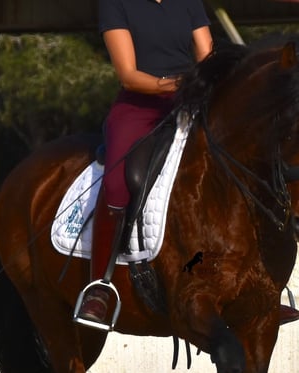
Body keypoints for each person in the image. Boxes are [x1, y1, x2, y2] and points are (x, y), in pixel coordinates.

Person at [75, 0, 213, 327]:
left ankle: (262, 281)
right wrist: (179, 84)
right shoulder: (116, 5)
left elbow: (207, 55)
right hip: (141, 106)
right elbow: (129, 75)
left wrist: (204, 86)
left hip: (193, 100)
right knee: (118, 182)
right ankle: (100, 286)